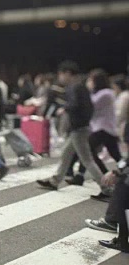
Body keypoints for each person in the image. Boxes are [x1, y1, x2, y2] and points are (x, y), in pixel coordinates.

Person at [37, 61, 112, 201]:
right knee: (66, 154)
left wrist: (64, 108)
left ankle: (106, 188)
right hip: (80, 127)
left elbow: (75, 105)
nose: (59, 77)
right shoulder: (81, 86)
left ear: (67, 73)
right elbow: (88, 107)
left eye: (61, 74)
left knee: (87, 160)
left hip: (79, 128)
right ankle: (55, 180)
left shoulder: (74, 87)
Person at [66, 69, 121, 186]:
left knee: (88, 152)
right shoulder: (100, 93)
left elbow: (90, 104)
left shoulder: (106, 93)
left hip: (104, 128)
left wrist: (84, 92)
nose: (89, 82)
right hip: (101, 128)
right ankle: (80, 175)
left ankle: (104, 177)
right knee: (114, 155)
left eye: (91, 80)